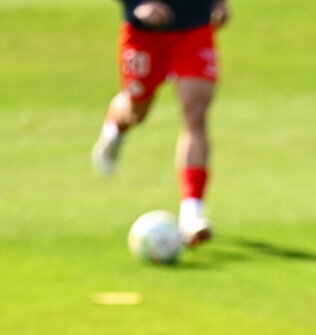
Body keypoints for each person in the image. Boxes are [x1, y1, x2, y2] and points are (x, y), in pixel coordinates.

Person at [91, 0, 230, 245]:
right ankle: (115, 129)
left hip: (195, 27)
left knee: (195, 114)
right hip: (145, 32)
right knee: (137, 111)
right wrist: (137, 4)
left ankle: (192, 213)